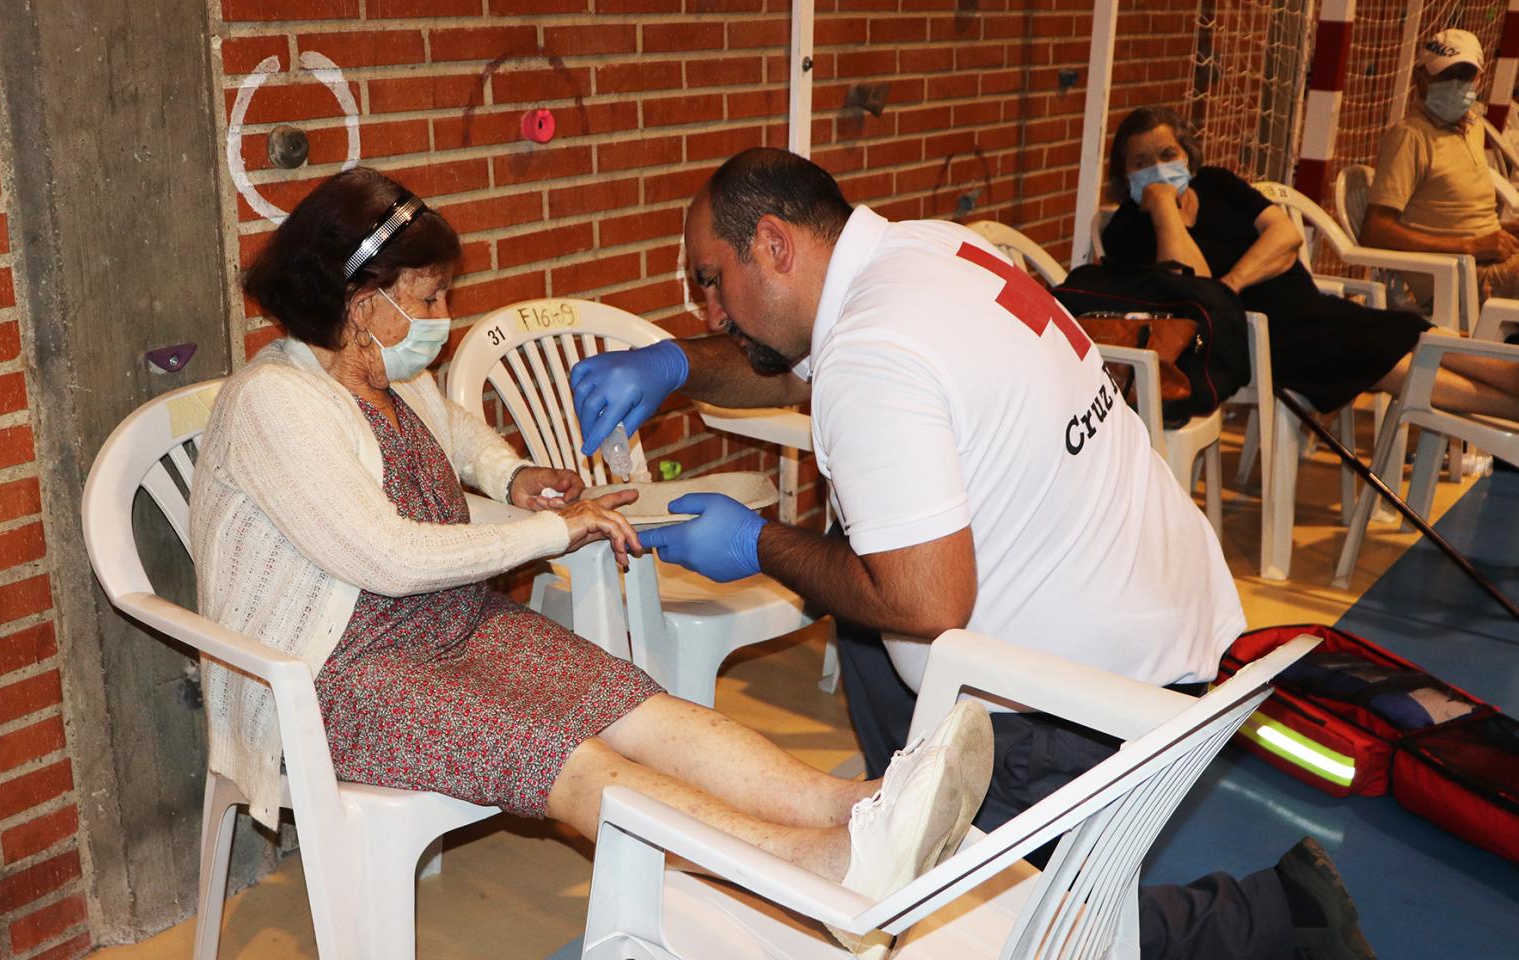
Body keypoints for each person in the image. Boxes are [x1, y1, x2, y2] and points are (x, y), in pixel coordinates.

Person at [569, 147, 1377, 960]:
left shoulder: (870, 351)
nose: (707, 311)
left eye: (709, 279)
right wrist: (675, 367)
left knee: (1000, 935)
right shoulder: (925, 251)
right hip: (1166, 624)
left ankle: (1279, 916)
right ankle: (906, 822)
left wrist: (759, 542)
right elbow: (788, 374)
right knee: (869, 639)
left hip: (1072, 711)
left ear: (774, 245)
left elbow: (927, 603)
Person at [188, 167, 993, 959]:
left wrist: (511, 477)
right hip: (334, 676)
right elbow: (387, 556)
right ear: (366, 307)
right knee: (570, 760)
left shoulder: (382, 370)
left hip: (444, 622)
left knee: (633, 703)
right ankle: (815, 869)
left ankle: (853, 810)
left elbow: (458, 433)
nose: (445, 316)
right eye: (429, 299)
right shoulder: (275, 404)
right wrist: (554, 530)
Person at [1102, 105, 1519, 422]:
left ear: (1186, 157)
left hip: (1307, 308)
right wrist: (1162, 210)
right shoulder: (1127, 229)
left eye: (1166, 154)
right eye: (1140, 163)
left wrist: (1231, 281)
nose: (1156, 169)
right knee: (1391, 355)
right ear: (1124, 176)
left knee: (1411, 335)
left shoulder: (1215, 183)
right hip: (1255, 335)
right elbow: (1194, 285)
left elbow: (1286, 235)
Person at [1362, 29, 1519, 306]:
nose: (1456, 84)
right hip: (1455, 278)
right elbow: (1375, 231)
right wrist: (1471, 247)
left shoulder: (1472, 128)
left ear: (1479, 78)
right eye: (1445, 75)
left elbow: (1453, 218)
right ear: (1420, 77)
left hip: (1488, 262)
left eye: (1465, 75)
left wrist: (1506, 230)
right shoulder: (1410, 137)